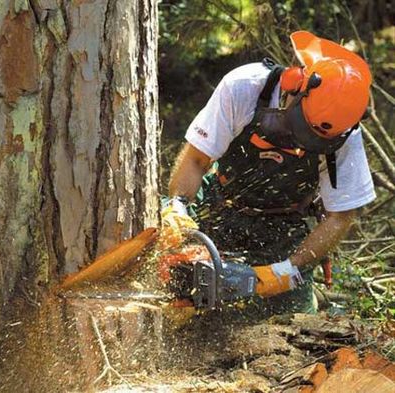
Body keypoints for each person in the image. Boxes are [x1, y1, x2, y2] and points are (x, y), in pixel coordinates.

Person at [161, 31, 376, 316]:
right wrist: (179, 207)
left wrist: (286, 271)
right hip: (221, 202)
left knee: (291, 324)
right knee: (177, 277)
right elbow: (197, 160)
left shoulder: (345, 131)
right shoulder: (244, 88)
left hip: (283, 227)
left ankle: (308, 296)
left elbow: (340, 215)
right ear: (293, 84)